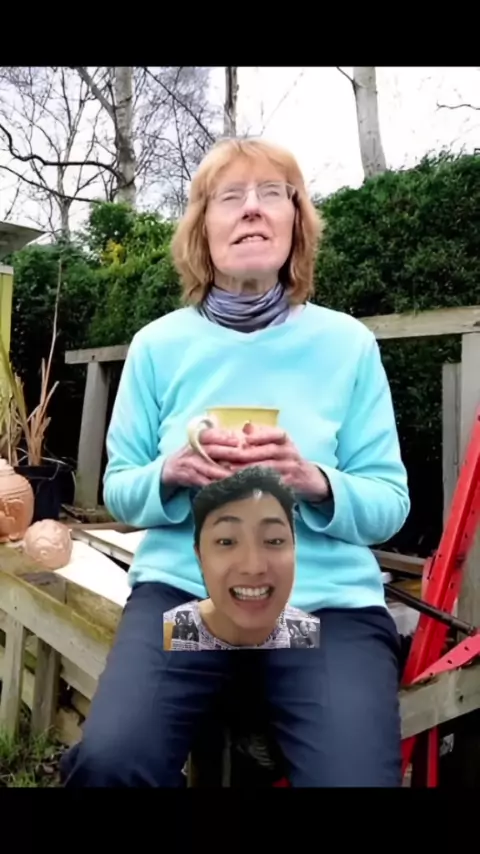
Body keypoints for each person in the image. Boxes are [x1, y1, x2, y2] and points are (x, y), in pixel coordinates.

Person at [60, 136, 410, 788]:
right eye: (230, 197)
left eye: (271, 193)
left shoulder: (347, 345)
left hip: (317, 612)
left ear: (295, 222)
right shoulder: (158, 346)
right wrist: (171, 473)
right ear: (203, 229)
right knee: (112, 763)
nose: (252, 208)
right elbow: (120, 489)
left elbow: (389, 503)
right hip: (192, 605)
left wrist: (314, 481)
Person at [163, 466, 320, 651]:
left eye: (274, 540)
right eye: (226, 541)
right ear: (199, 555)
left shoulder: (308, 635)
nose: (253, 567)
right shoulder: (171, 632)